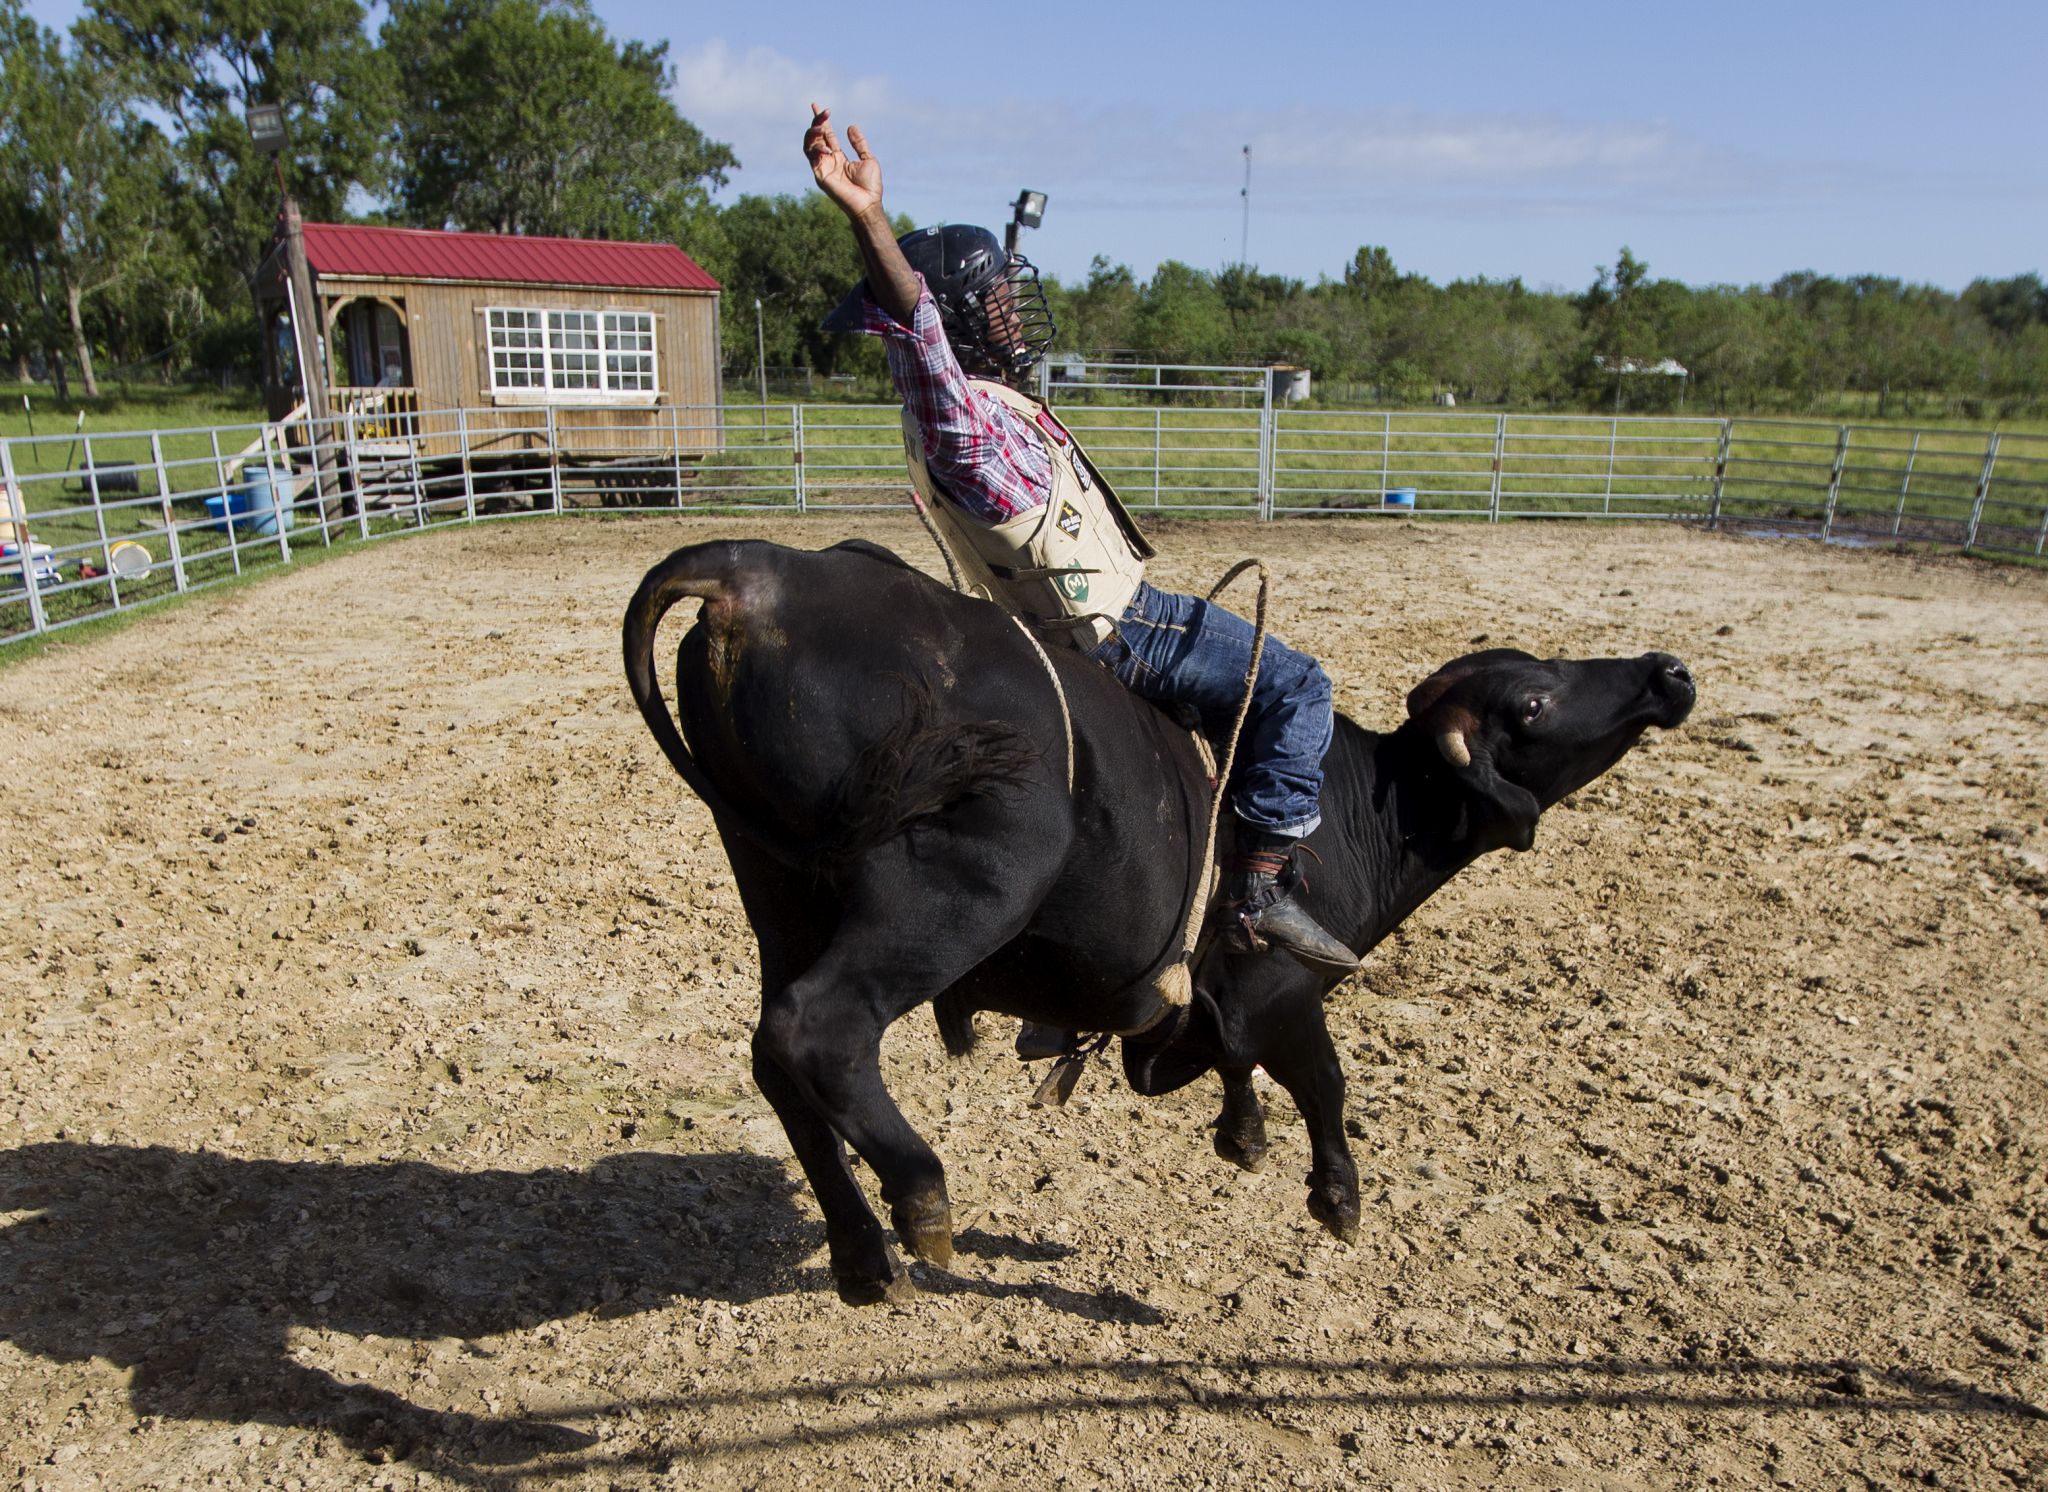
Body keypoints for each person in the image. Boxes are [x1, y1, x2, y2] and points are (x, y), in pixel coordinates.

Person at [803, 105, 1358, 993]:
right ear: (953, 321)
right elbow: (918, 337)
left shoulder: (979, 408)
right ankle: (1260, 888)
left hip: (1072, 628)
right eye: (990, 300)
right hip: (1121, 628)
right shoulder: (962, 422)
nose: (1010, 311)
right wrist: (869, 219)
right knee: (1299, 685)